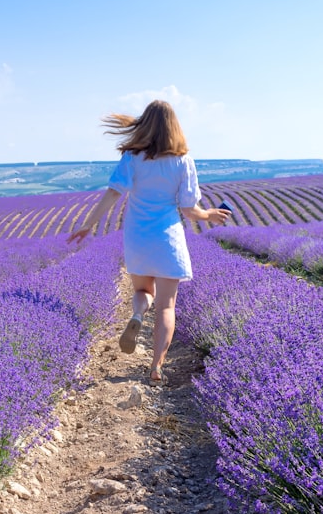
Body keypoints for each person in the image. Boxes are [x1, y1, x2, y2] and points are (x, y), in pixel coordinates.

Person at [67, 100, 231, 386]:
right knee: (167, 307)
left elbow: (113, 193)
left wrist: (87, 225)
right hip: (168, 237)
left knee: (144, 290)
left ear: (145, 124)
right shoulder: (183, 160)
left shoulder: (133, 157)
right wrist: (210, 215)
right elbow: (190, 209)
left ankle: (138, 314)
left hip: (138, 235)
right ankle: (156, 366)